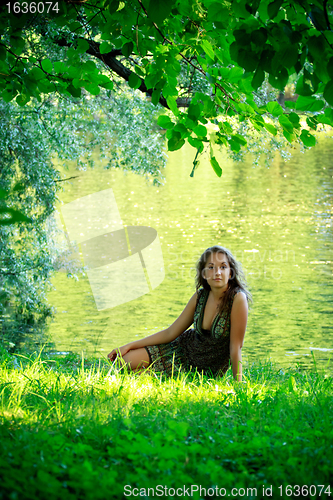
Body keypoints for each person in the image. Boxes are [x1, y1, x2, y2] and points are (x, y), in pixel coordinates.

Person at [107, 245, 251, 381]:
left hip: (205, 367)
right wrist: (130, 346)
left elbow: (236, 346)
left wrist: (237, 385)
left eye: (223, 267)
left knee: (137, 375)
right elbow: (171, 333)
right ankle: (151, 372)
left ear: (230, 272)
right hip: (182, 348)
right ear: (204, 274)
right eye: (211, 267)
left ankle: (154, 374)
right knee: (123, 362)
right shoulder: (201, 296)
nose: (218, 272)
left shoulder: (237, 299)